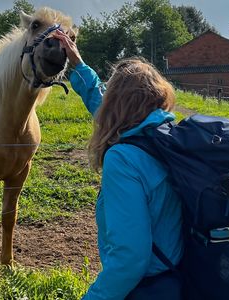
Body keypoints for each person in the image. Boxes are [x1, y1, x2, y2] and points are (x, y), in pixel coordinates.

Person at [53, 30, 184, 299]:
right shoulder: (166, 134)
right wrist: (78, 65)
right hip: (182, 273)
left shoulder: (124, 159)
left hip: (150, 287)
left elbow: (130, 259)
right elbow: (101, 102)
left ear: (116, 105)